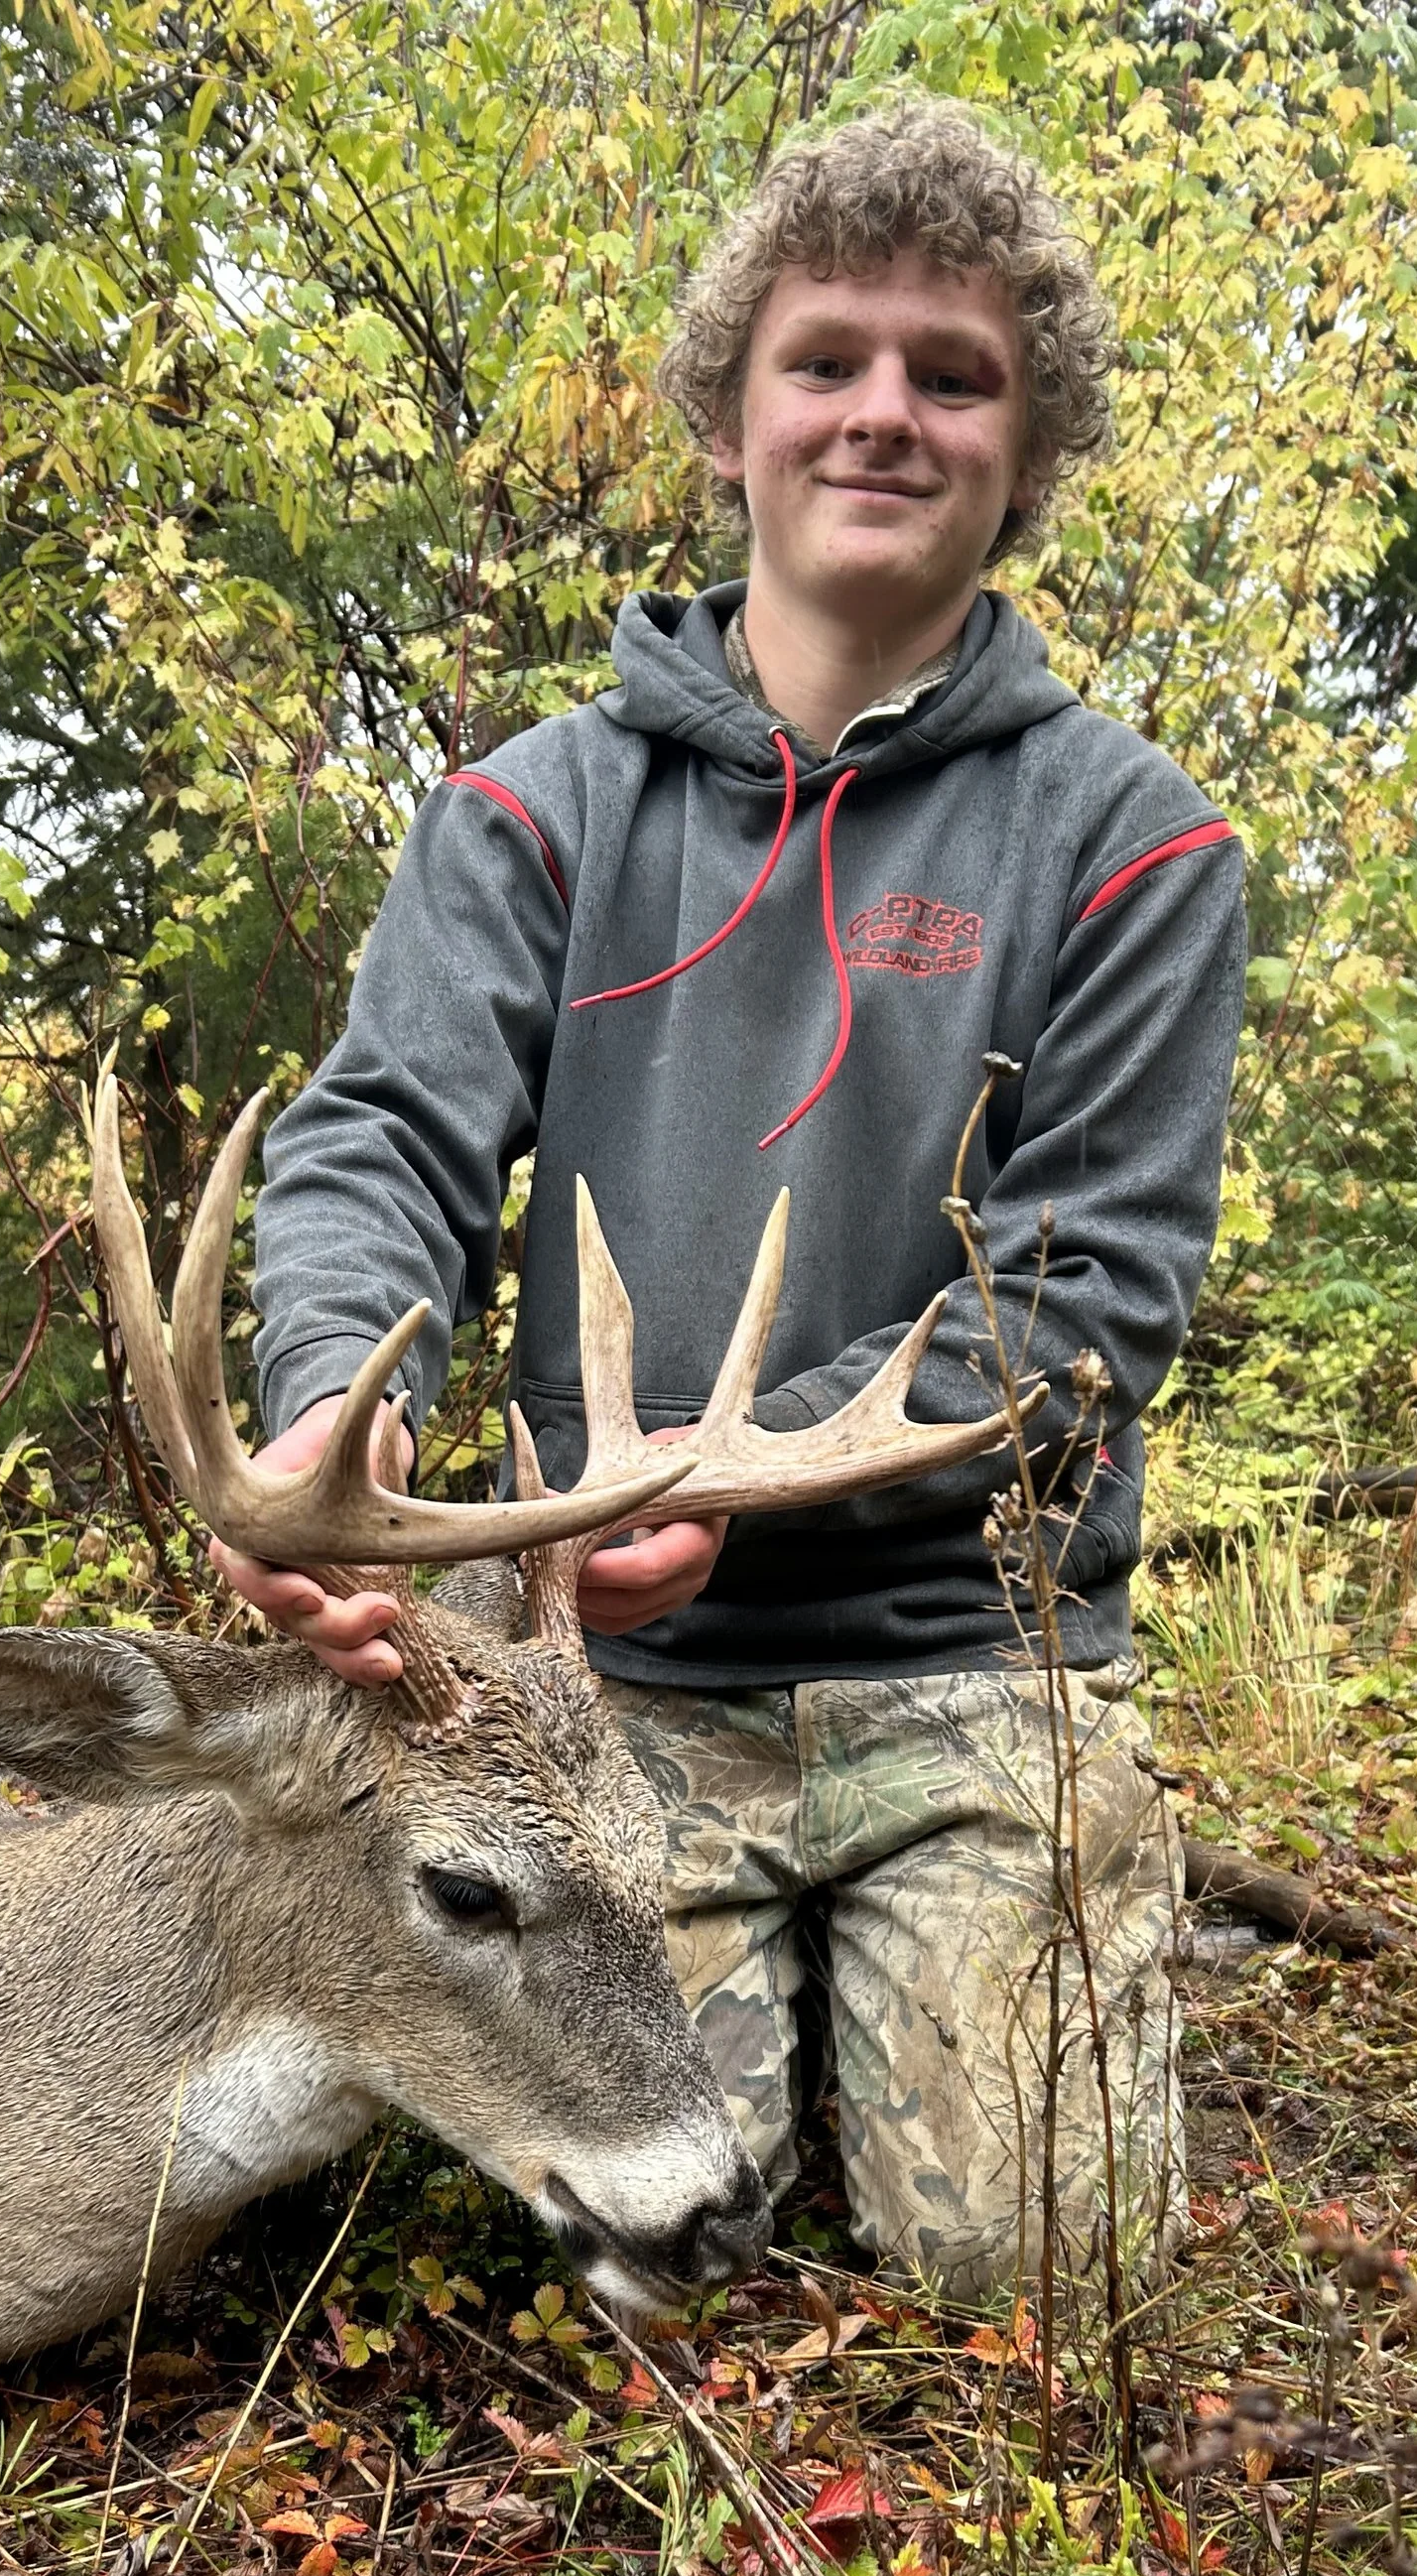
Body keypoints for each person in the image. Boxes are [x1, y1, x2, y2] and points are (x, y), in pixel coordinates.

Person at [224, 100, 1245, 2306]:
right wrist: (330, 1398)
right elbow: (381, 1136)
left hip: (971, 1661)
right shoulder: (528, 812)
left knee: (1035, 2280)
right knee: (641, 2275)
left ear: (1022, 440)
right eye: (828, 358)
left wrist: (712, 1472)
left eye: (950, 373)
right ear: (727, 411)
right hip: (596, 1690)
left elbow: (1087, 1303)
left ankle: (1041, 1925)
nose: (882, 411)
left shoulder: (1131, 842)